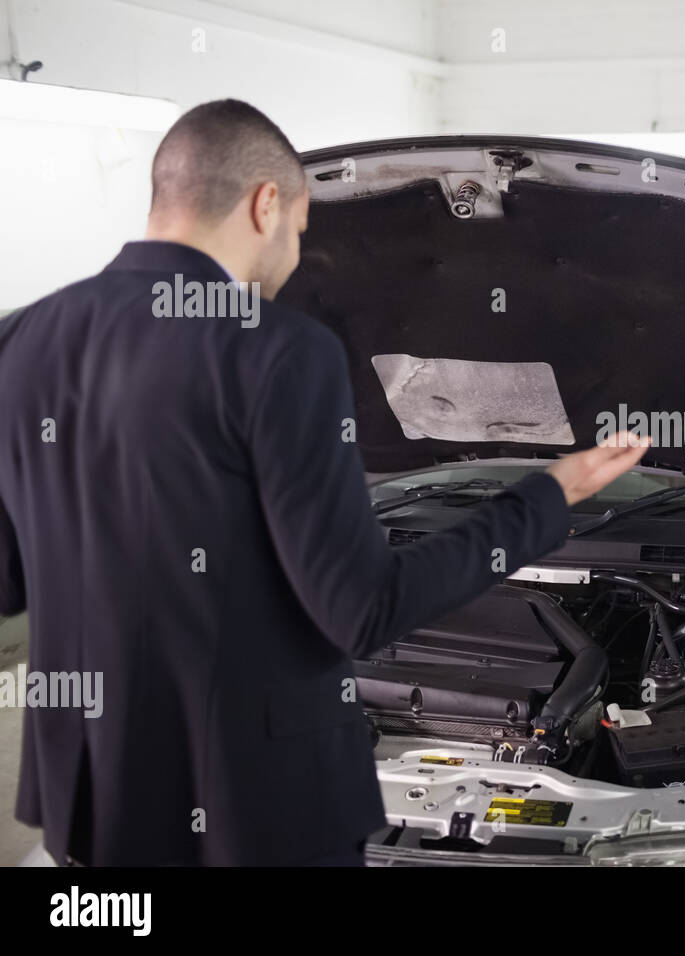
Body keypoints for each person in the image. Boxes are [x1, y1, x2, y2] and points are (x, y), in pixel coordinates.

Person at [0, 100, 648, 866]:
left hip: (94, 803)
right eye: (301, 232)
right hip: (252, 814)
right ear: (266, 205)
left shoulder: (24, 337)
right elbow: (362, 610)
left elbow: (11, 581)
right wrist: (546, 496)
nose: (294, 258)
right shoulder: (277, 350)